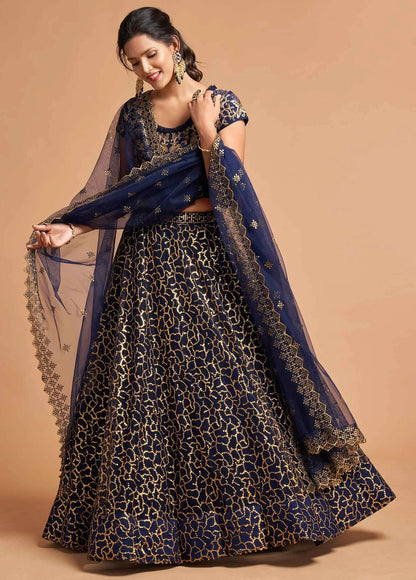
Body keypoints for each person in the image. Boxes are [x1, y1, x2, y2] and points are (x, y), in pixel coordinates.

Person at [25, 6, 396, 566]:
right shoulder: (132, 117)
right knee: (140, 391)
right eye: (133, 62)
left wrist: (205, 133)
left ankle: (261, 517)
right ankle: (141, 528)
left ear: (174, 45)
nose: (146, 69)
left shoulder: (223, 104)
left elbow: (229, 187)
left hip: (206, 258)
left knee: (228, 381)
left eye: (152, 55)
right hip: (144, 263)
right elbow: (122, 195)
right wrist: (71, 226)